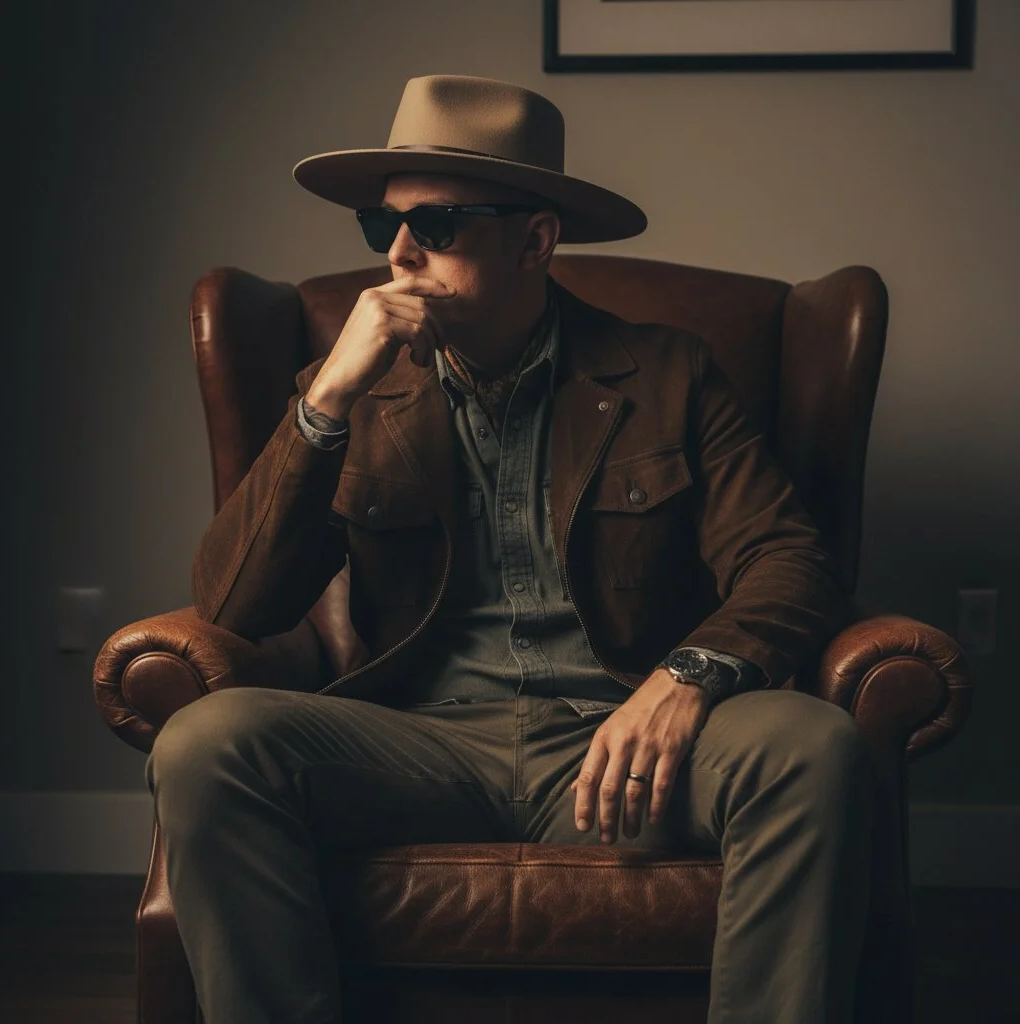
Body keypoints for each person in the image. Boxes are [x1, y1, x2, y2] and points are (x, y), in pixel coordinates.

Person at [145, 75, 874, 1024]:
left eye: (438, 224)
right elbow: (237, 605)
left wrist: (685, 680)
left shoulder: (670, 373)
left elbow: (790, 562)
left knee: (814, 746)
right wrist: (326, 402)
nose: (399, 253)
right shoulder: (348, 394)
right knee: (204, 742)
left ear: (535, 241)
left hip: (619, 747)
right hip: (417, 748)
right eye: (382, 225)